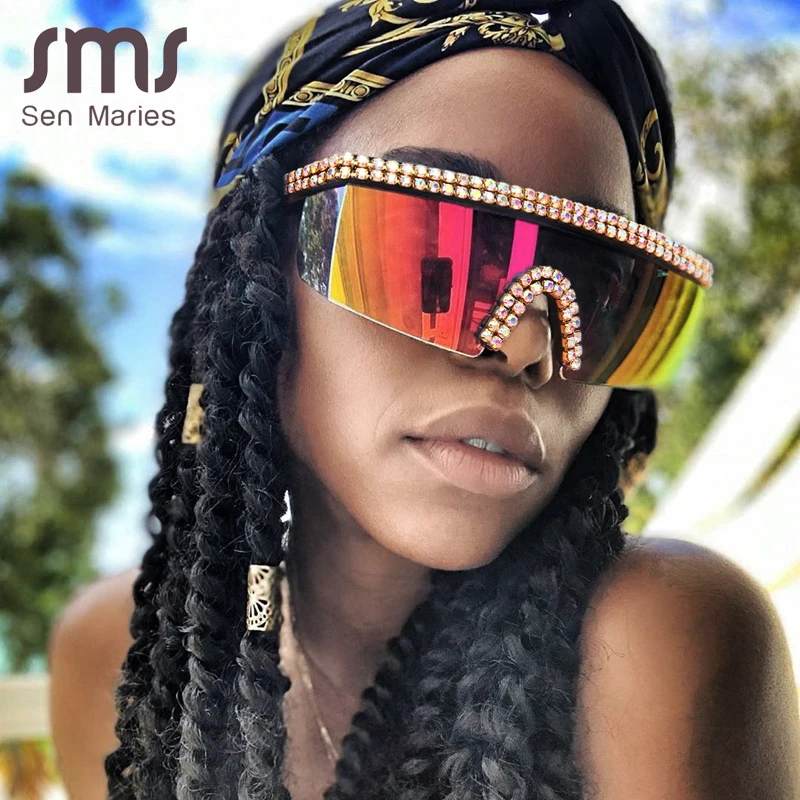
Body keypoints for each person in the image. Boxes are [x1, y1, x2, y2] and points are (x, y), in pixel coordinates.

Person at [48, 1, 800, 798]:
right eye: (430, 253)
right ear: (256, 278)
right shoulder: (116, 657)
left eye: (595, 291)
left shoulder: (665, 638)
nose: (528, 344)